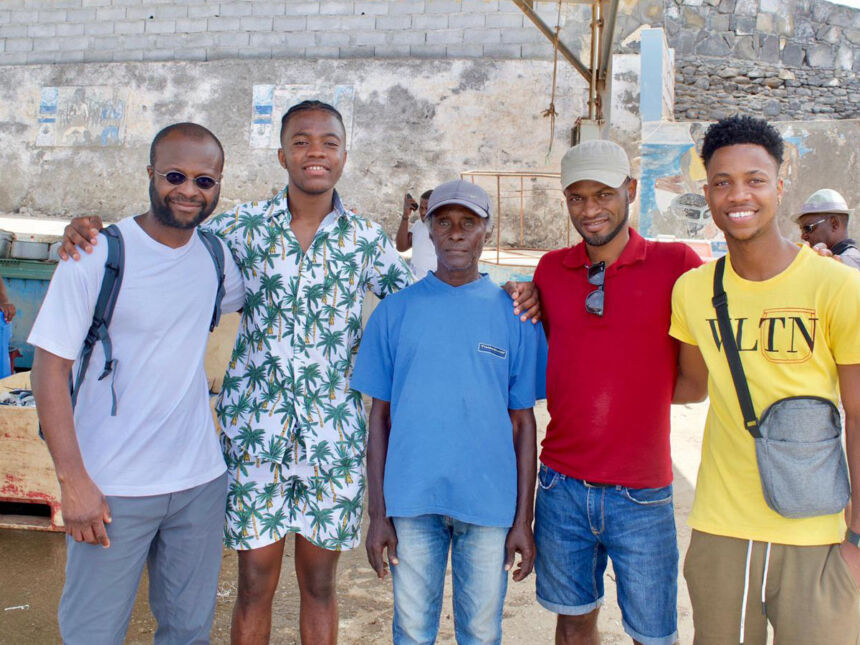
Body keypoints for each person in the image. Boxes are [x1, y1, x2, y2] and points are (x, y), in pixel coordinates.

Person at [58, 101, 541, 645]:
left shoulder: (364, 241)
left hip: (331, 442)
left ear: (343, 155)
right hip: (254, 438)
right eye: (303, 141)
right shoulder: (239, 230)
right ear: (282, 153)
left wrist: (518, 290)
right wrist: (90, 234)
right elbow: (170, 230)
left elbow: (427, 300)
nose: (316, 152)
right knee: (253, 586)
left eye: (329, 142)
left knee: (319, 587)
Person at [29, 123, 245, 643]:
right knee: (93, 633)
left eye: (204, 180)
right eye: (175, 175)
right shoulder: (96, 255)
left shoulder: (218, 259)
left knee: (188, 632)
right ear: (150, 174)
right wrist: (73, 481)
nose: (189, 190)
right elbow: (47, 370)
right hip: (111, 488)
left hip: (198, 481)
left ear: (218, 185)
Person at [670, 115, 860, 644]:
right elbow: (690, 384)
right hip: (723, 528)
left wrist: (858, 540)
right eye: (723, 182)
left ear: (780, 186)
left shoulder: (837, 288)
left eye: (755, 179)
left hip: (818, 531)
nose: (739, 195)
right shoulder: (691, 291)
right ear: (706, 191)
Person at [351, 179, 542, 644]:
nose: (456, 232)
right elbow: (378, 418)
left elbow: (523, 423)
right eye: (444, 222)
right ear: (428, 232)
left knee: (480, 631)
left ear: (485, 233)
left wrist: (523, 520)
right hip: (412, 503)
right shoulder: (395, 313)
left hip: (489, 505)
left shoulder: (515, 315)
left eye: (468, 223)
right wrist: (378, 515)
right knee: (413, 630)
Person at [531, 139, 704, 645]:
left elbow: (694, 385)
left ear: (630, 190)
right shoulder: (548, 271)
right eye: (577, 198)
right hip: (560, 484)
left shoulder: (678, 265)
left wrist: (634, 394)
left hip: (642, 492)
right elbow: (558, 362)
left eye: (603, 194)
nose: (590, 210)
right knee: (573, 621)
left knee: (653, 634)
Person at [795, 188, 860, 270]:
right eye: (802, 230)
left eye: (808, 228)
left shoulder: (848, 262)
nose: (803, 236)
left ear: (834, 224)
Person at [395, 189, 436, 278]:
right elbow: (401, 247)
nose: (423, 212)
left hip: (434, 283)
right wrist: (405, 216)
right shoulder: (418, 224)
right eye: (421, 208)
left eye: (427, 208)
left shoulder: (443, 228)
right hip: (416, 281)